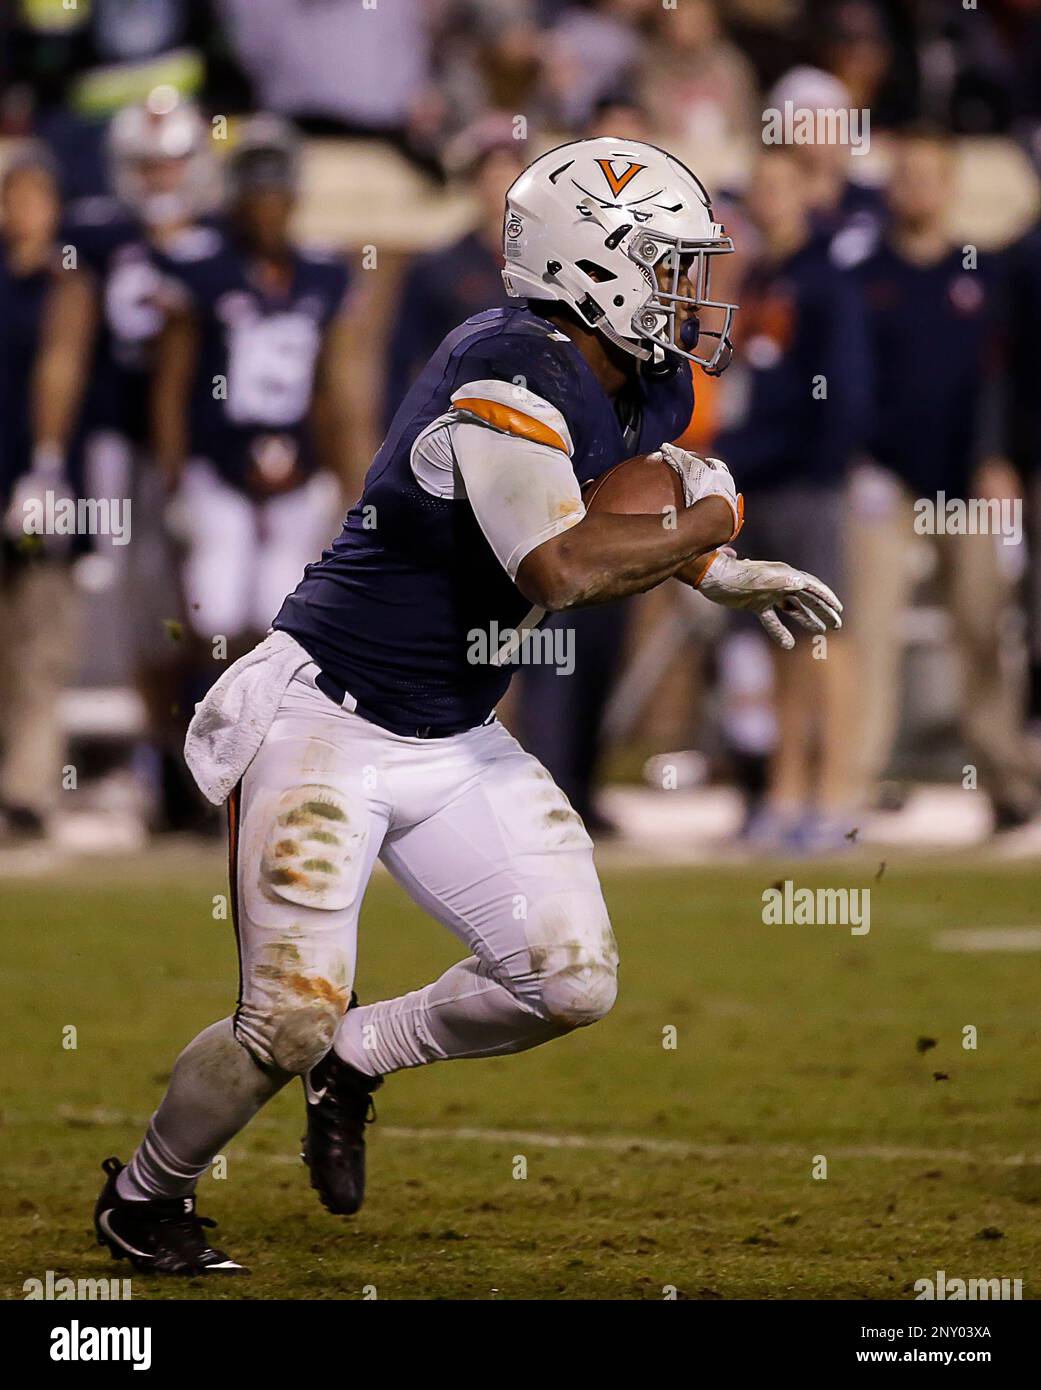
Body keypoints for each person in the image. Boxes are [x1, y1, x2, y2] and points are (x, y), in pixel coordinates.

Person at [93, 137, 841, 1275]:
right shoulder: (507, 365)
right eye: (669, 262)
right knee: (281, 1018)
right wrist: (709, 528)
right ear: (594, 264)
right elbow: (559, 565)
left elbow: (608, 507)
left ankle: (363, 1056)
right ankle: (145, 1198)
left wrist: (708, 569)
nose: (694, 291)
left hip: (450, 729)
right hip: (324, 721)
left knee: (570, 977)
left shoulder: (643, 378)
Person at [846, 126, 1040, 828]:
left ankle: (1005, 780)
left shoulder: (984, 270)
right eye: (905, 174)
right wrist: (860, 461)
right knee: (865, 630)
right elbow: (849, 380)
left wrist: (998, 457)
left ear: (950, 185)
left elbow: (1003, 376)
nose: (916, 188)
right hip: (886, 481)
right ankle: (854, 780)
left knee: (983, 629)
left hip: (968, 479)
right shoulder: (867, 275)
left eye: (930, 175)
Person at [152, 115, 353, 665]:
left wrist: (346, 477)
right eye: (257, 193)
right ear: (237, 198)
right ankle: (195, 735)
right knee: (211, 612)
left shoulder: (321, 273)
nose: (269, 206)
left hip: (297, 467)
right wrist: (172, 478)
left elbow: (331, 388)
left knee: (281, 617)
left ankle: (262, 744)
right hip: (216, 464)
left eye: (277, 192)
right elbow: (171, 385)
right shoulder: (204, 269)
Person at [715, 146, 869, 851]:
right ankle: (784, 792)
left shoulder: (825, 280)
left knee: (826, 640)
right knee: (781, 641)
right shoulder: (760, 279)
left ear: (805, 192)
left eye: (781, 186)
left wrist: (822, 462)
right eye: (762, 187)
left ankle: (835, 794)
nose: (769, 199)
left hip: (808, 480)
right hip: (763, 480)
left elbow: (842, 390)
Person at [0, 145, 76, 842]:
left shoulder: (64, 281)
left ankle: (27, 790)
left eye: (34, 196)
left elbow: (63, 367)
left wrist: (47, 466)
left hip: (38, 481)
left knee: (38, 643)